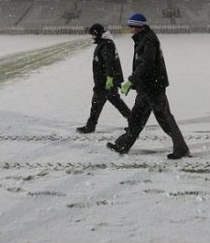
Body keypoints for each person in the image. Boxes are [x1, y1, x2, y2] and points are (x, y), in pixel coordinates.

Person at [107, 13, 190, 160]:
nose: (130, 28)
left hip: (154, 88)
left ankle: (181, 148)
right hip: (145, 88)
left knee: (165, 119)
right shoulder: (142, 38)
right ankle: (122, 145)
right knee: (136, 119)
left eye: (132, 26)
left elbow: (147, 64)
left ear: (139, 26)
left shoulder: (149, 39)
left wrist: (130, 80)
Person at [76, 23, 131, 134]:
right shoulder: (105, 43)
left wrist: (109, 78)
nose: (92, 37)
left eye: (93, 34)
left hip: (105, 81)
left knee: (96, 103)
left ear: (97, 34)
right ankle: (134, 121)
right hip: (106, 80)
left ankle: (90, 126)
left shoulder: (106, 45)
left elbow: (109, 63)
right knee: (115, 101)